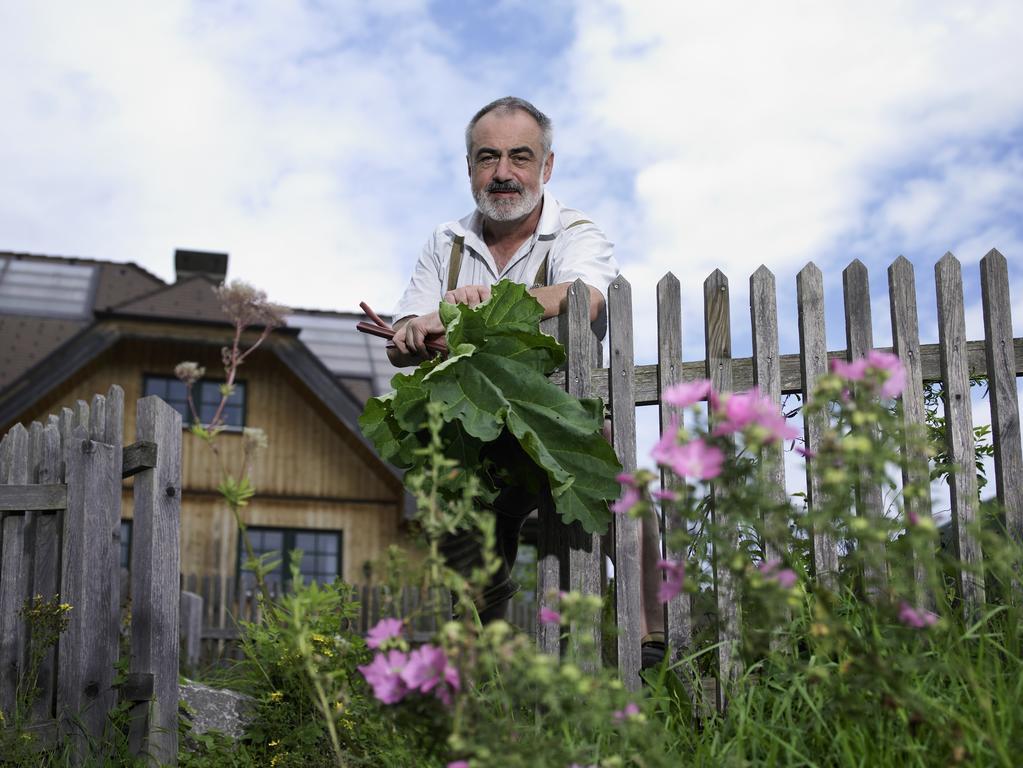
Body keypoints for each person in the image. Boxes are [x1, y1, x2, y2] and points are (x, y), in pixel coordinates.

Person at [388, 96, 665, 664]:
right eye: (487, 158)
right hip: (477, 426)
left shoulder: (575, 232)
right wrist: (411, 333)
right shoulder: (447, 242)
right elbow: (405, 331)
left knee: (617, 486)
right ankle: (482, 654)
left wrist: (483, 303)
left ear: (547, 166)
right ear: (469, 168)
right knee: (458, 513)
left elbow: (584, 298)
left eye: (520, 156)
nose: (503, 173)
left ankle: (652, 633)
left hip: (559, 415)